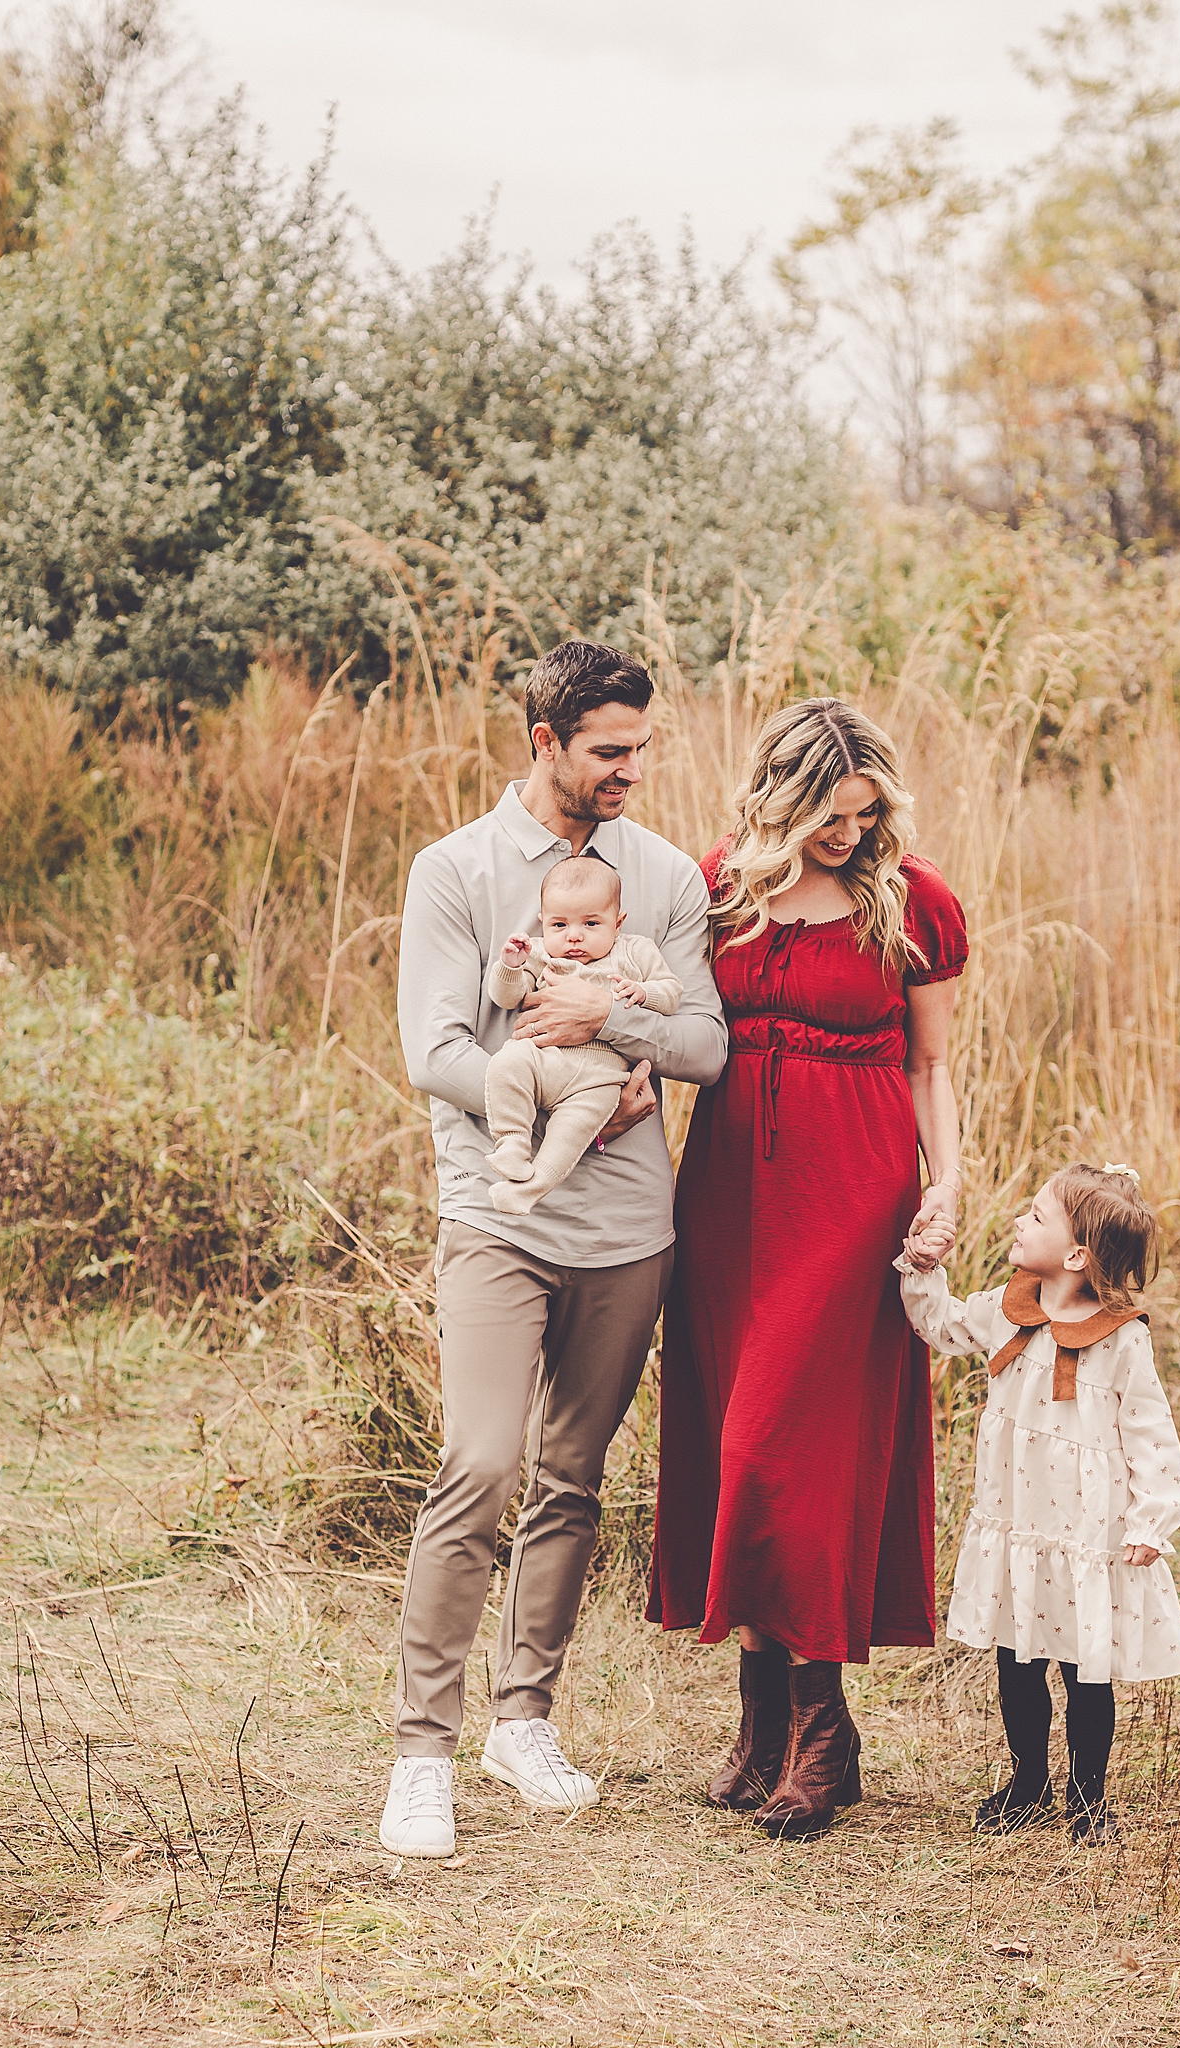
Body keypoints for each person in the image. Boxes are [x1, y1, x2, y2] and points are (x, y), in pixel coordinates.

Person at [383, 638, 726, 1859]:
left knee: (571, 1476)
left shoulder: (667, 876)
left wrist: (609, 1015)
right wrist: (544, 1095)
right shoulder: (453, 869)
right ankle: (422, 1746)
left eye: (642, 748)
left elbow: (706, 1047)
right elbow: (432, 1051)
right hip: (497, 1215)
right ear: (545, 744)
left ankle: (521, 1717)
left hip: (630, 1231)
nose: (633, 769)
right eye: (609, 751)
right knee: (476, 1464)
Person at [649, 697, 966, 1841]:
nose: (850, 835)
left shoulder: (909, 896)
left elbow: (930, 1066)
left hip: (850, 1195)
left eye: (866, 813)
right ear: (783, 799)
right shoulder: (716, 883)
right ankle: (760, 1724)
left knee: (787, 1451)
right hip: (729, 1193)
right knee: (733, 1441)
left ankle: (822, 1729)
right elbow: (673, 1024)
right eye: (831, 816)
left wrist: (946, 1185)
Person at [897, 1163, 1180, 1843]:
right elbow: (939, 1323)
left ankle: (1089, 1798)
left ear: (1077, 1254)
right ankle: (1028, 1782)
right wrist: (920, 1264)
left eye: (1035, 1217)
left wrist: (1151, 1519)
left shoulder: (1122, 1337)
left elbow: (1151, 1433)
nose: (1017, 1224)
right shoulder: (1006, 1306)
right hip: (1019, 1523)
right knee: (1017, 1658)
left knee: (1088, 1671)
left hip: (1088, 1534)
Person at [482, 856, 683, 1215]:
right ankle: (512, 1143)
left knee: (570, 1135)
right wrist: (510, 966)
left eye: (591, 923)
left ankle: (528, 1191)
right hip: (544, 1058)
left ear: (617, 923)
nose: (574, 935)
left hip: (599, 1078)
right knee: (506, 1063)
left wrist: (643, 992)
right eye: (559, 924)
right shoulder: (541, 954)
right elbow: (506, 997)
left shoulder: (634, 952)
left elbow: (671, 992)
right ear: (543, 922)